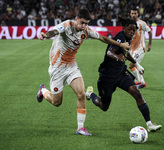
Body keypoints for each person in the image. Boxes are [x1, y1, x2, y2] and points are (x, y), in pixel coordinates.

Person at [36, 8, 129, 136]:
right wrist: (45, 35)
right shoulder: (67, 26)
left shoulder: (86, 31)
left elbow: (103, 38)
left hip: (72, 67)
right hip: (57, 68)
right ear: (76, 19)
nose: (84, 26)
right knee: (56, 102)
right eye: (82, 23)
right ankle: (42, 90)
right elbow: (54, 31)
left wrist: (121, 45)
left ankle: (80, 128)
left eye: (87, 23)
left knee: (81, 94)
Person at [85, 16, 162, 132]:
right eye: (129, 29)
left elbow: (127, 53)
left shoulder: (128, 38)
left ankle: (150, 124)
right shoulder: (120, 37)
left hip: (121, 74)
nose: (131, 32)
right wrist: (117, 57)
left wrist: (137, 64)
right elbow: (110, 52)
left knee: (137, 93)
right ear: (124, 28)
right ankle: (90, 94)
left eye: (133, 30)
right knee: (104, 106)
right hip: (107, 77)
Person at [129, 7, 152, 89]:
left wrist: (149, 44)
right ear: (130, 14)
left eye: (135, 13)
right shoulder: (128, 24)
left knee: (131, 65)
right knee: (132, 66)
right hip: (132, 49)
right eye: (132, 13)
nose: (134, 15)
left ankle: (141, 82)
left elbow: (150, 32)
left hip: (140, 49)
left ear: (137, 14)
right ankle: (140, 81)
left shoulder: (142, 23)